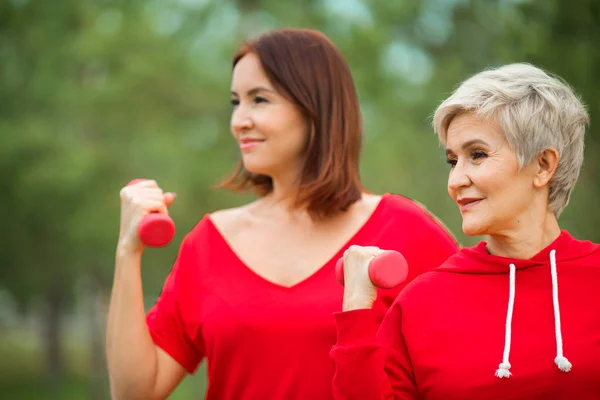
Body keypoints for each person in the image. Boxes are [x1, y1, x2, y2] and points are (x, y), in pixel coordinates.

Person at [105, 28, 459, 400]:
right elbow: (135, 393)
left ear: (315, 107)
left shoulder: (405, 230)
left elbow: (468, 367)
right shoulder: (209, 242)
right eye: (235, 102)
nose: (238, 120)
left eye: (259, 100)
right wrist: (128, 252)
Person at [330, 62, 600, 399]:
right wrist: (356, 308)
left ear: (543, 165)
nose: (456, 181)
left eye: (477, 154)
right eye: (452, 160)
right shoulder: (420, 304)